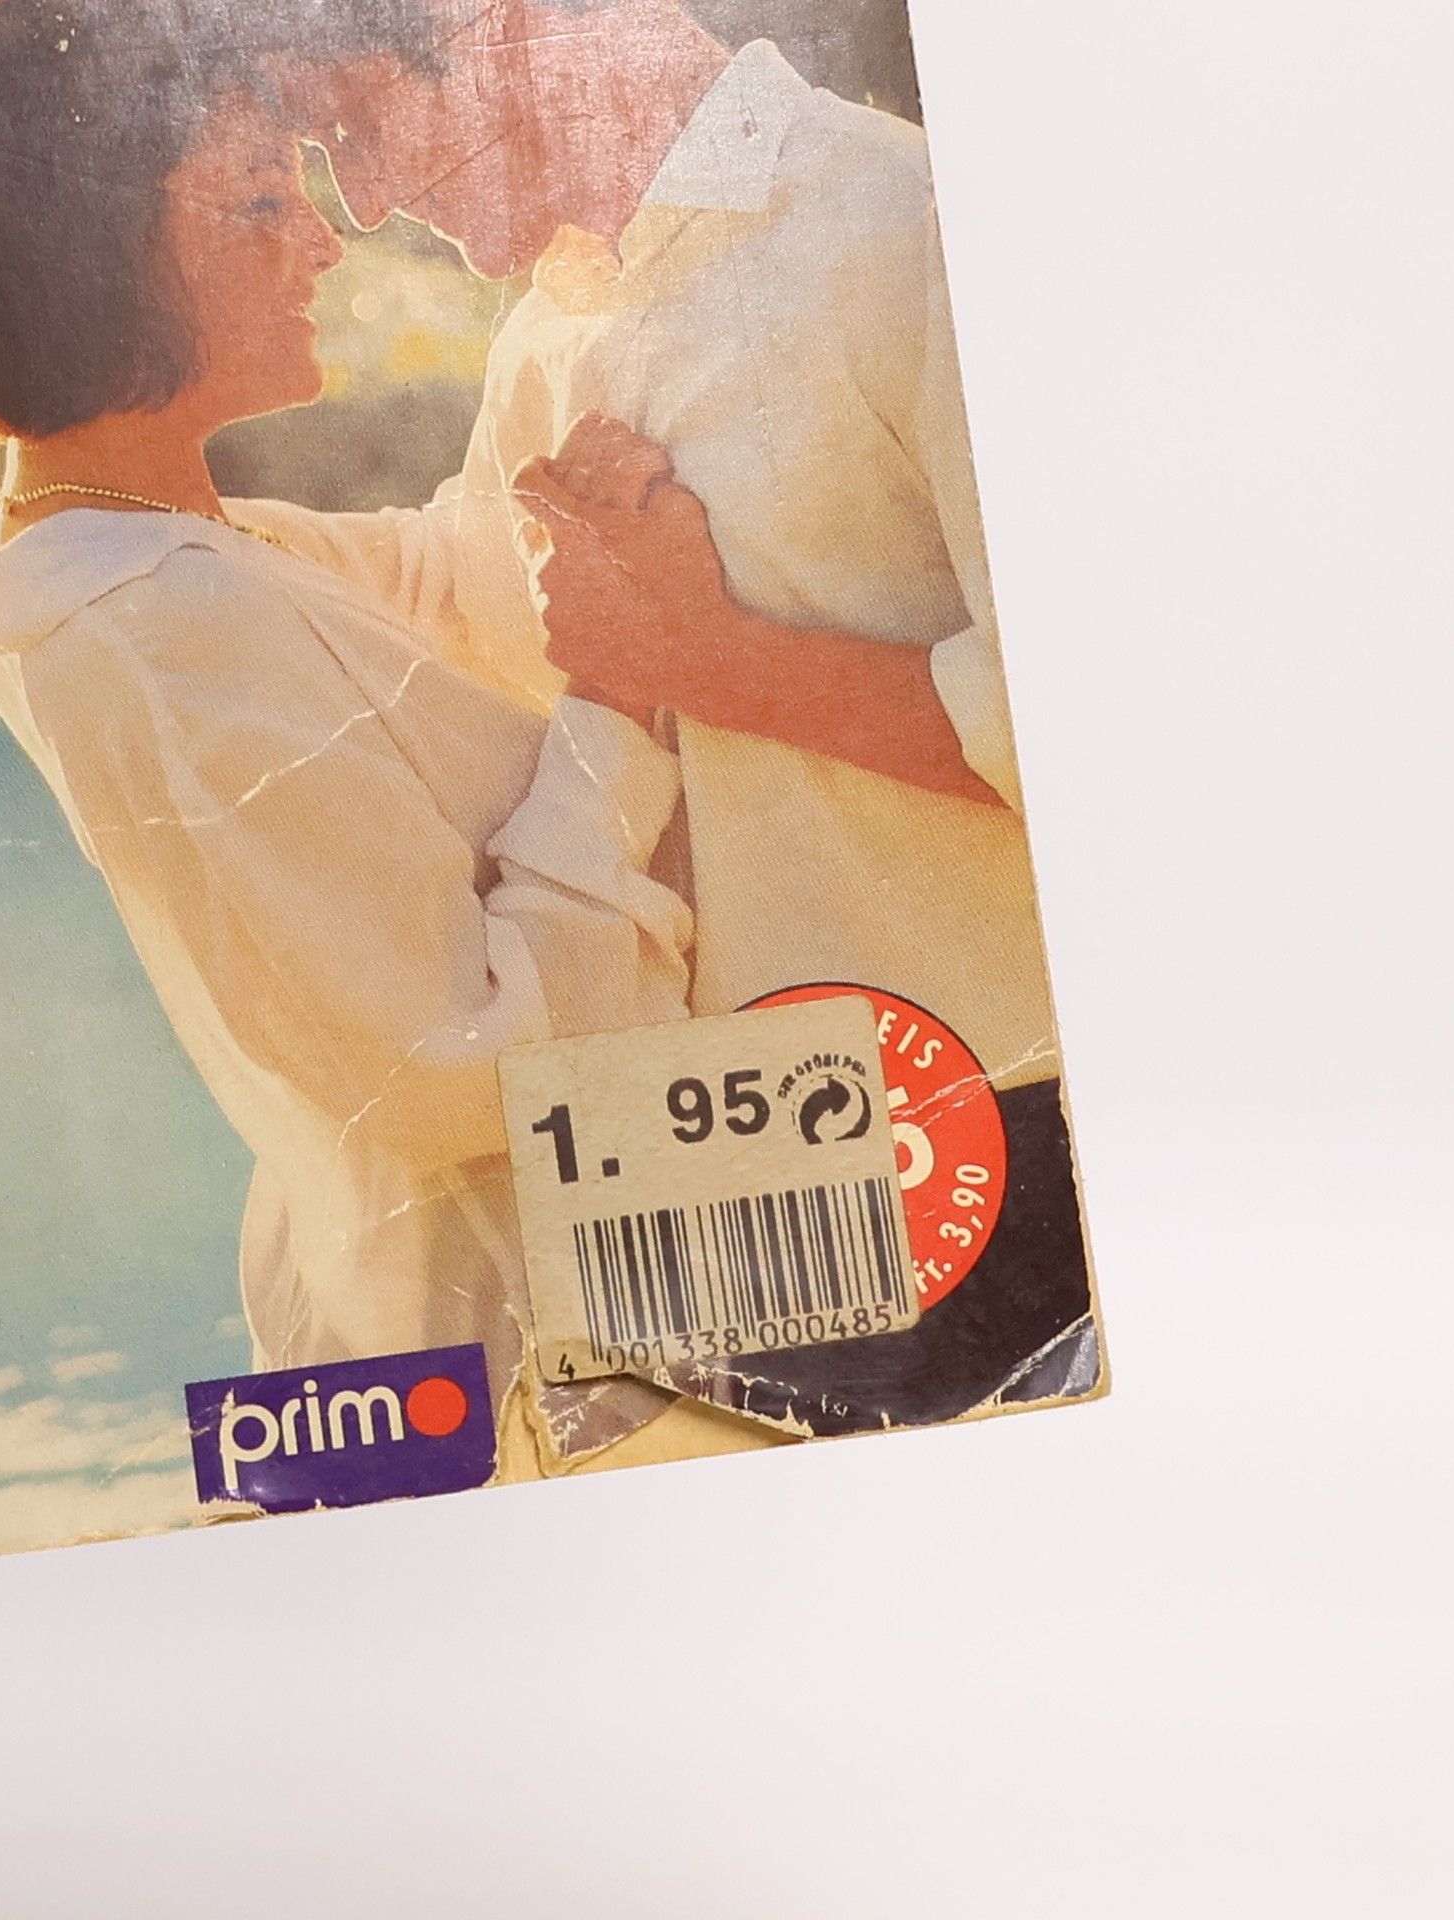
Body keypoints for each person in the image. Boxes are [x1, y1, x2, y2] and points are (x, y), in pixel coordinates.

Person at [0, 0, 785, 1474]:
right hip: (520, 1385)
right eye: (258, 202)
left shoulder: (139, 543)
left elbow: (453, 579)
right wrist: (626, 690)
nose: (326, 240)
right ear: (91, 248)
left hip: (431, 1336)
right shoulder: (147, 617)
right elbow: (457, 1065)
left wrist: (589, 333)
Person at [277, 0, 1098, 1431]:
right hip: (705, 1154)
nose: (370, 200)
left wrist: (716, 663)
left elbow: (1093, 730)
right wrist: (131, 533)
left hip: (975, 1131)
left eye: (357, 126)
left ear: (500, 24)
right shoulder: (553, 322)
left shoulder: (903, 224)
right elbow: (461, 587)